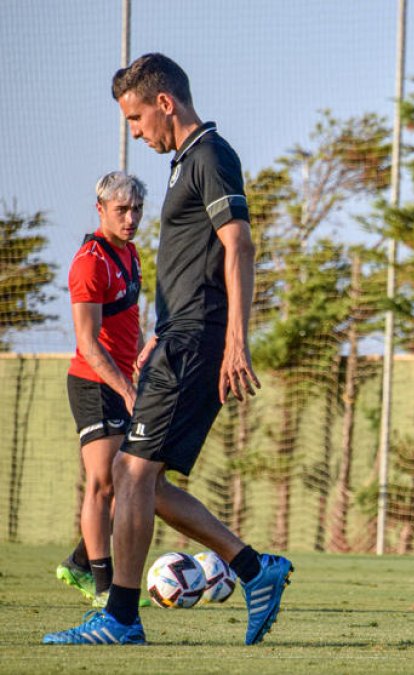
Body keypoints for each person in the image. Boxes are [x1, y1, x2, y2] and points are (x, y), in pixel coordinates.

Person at [44, 53, 292, 646]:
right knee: (144, 482)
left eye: (134, 118)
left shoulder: (210, 155)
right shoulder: (186, 163)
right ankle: (257, 570)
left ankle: (122, 619)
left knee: (130, 475)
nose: (134, 132)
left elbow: (240, 247)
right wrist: (162, 326)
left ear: (164, 104)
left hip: (196, 343)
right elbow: (197, 259)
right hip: (177, 338)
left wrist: (235, 341)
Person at [56, 172, 147, 608]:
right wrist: (126, 388)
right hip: (94, 384)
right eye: (121, 211)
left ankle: (79, 560)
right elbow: (89, 343)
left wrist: (145, 353)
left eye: (137, 211)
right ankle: (105, 588)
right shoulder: (89, 261)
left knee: (130, 480)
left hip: (123, 382)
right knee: (103, 484)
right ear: (101, 209)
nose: (131, 219)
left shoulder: (131, 255)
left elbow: (130, 322)